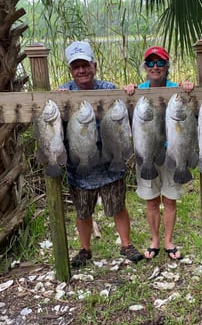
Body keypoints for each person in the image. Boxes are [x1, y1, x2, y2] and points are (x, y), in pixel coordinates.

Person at [58, 40, 143, 268]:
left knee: (118, 206)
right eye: (76, 67)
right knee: (82, 210)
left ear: (94, 65)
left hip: (110, 164)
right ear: (71, 70)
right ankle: (85, 249)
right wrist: (58, 101)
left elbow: (129, 108)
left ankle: (126, 245)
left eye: (85, 65)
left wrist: (128, 92)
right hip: (80, 166)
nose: (81, 70)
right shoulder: (64, 93)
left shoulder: (108, 89)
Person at [124, 46, 194, 261]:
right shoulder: (138, 91)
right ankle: (154, 240)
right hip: (147, 154)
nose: (156, 67)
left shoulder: (177, 90)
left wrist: (188, 87)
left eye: (160, 62)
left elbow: (191, 108)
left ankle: (168, 241)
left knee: (170, 199)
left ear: (167, 66)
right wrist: (127, 90)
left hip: (172, 152)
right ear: (145, 67)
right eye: (151, 63)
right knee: (152, 200)